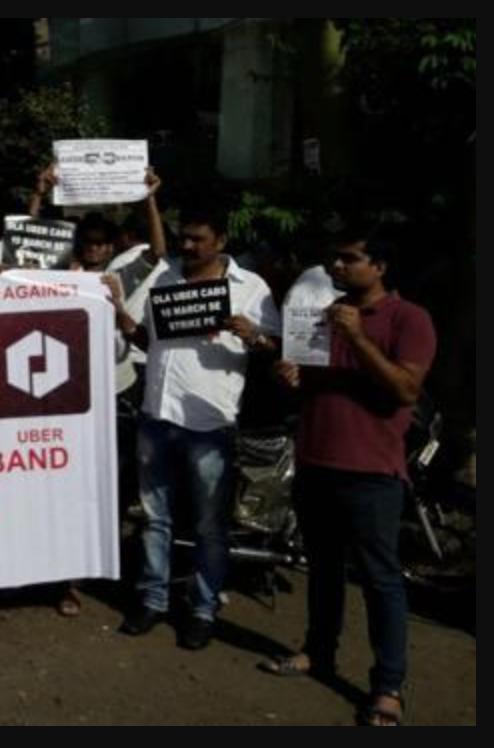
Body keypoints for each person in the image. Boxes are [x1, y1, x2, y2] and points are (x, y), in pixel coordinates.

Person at [265, 230, 436, 728]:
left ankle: (387, 687)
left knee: (381, 580)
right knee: (322, 570)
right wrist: (289, 377)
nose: (336, 266)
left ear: (380, 266)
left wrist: (358, 336)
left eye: (349, 258)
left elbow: (406, 389)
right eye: (333, 258)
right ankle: (318, 652)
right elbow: (312, 388)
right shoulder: (324, 315)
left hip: (372, 473)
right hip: (316, 462)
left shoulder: (409, 318)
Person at [109, 204, 281, 651]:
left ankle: (203, 609)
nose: (187, 245)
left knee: (209, 525)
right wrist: (120, 314)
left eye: (197, 239)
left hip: (210, 424)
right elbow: (149, 339)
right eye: (183, 237)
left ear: (220, 241)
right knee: (155, 519)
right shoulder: (165, 278)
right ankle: (152, 599)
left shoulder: (250, 288)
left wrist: (254, 336)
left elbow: (278, 352)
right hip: (156, 416)